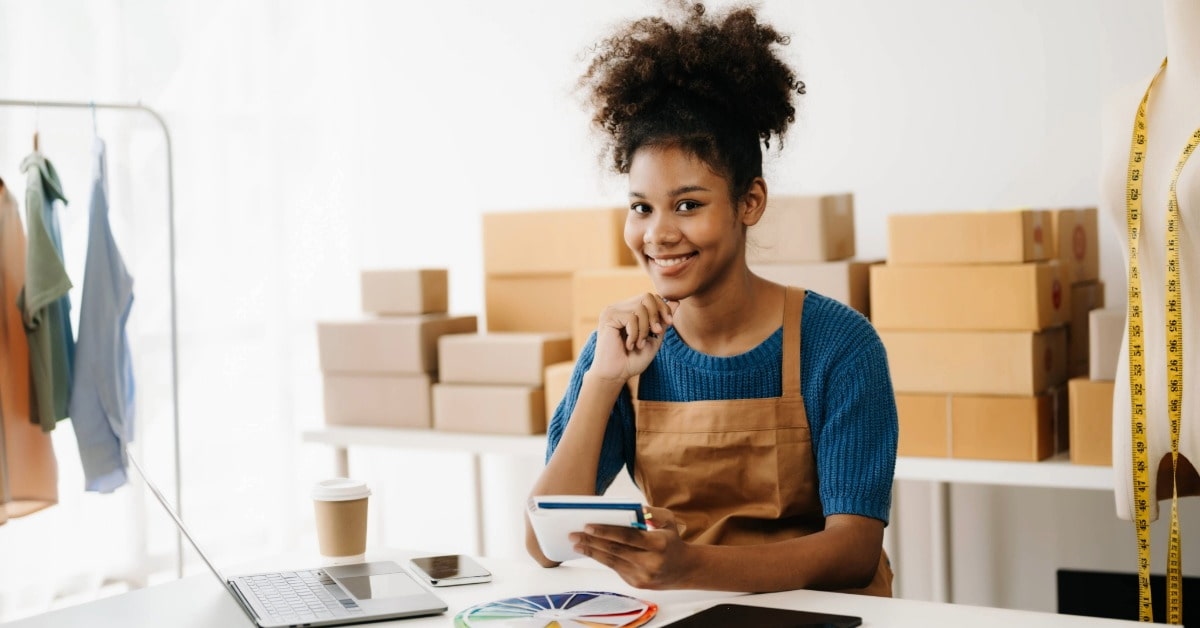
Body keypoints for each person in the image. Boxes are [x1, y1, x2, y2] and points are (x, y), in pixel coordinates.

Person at [523, 1, 898, 596]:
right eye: (641, 206)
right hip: (687, 612)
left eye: (688, 204)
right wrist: (603, 379)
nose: (658, 233)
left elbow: (855, 549)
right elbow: (545, 545)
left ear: (749, 203)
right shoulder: (621, 349)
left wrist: (691, 568)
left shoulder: (839, 344)